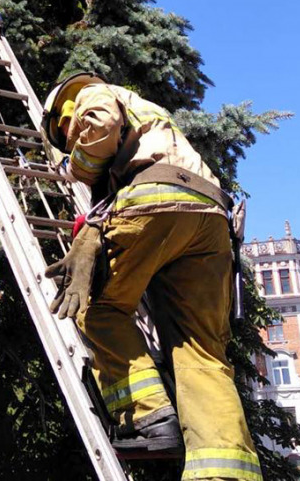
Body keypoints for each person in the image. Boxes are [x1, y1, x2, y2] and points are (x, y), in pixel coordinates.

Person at [42, 72, 261, 481]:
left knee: (95, 307)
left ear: (63, 111)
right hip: (211, 219)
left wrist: (78, 167)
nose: (70, 141)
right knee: (201, 350)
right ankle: (222, 472)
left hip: (154, 201)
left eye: (65, 135)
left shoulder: (91, 94)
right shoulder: (152, 117)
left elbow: (101, 125)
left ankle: (148, 418)